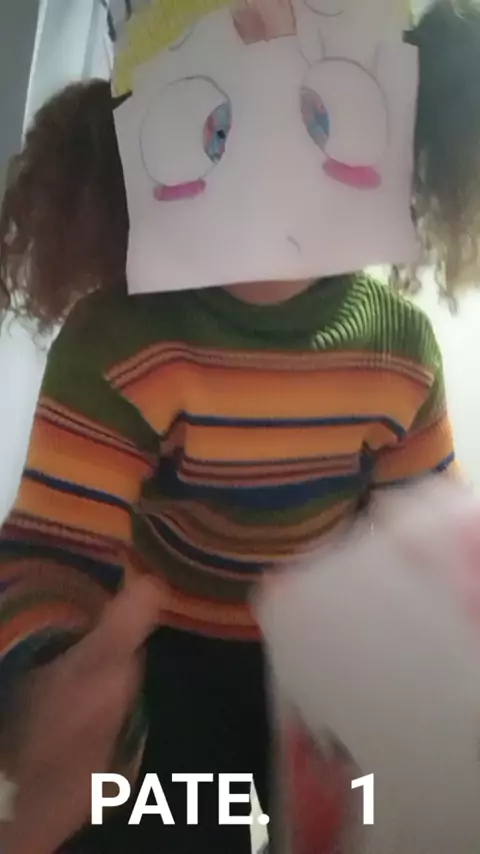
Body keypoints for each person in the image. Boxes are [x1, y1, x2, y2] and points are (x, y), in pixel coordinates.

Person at [0, 0, 477, 852]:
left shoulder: (399, 350)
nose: (272, 177)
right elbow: (53, 550)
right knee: (168, 827)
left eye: (320, 113)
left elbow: (427, 536)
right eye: (218, 125)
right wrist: (51, 678)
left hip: (330, 667)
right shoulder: (120, 346)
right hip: (165, 661)